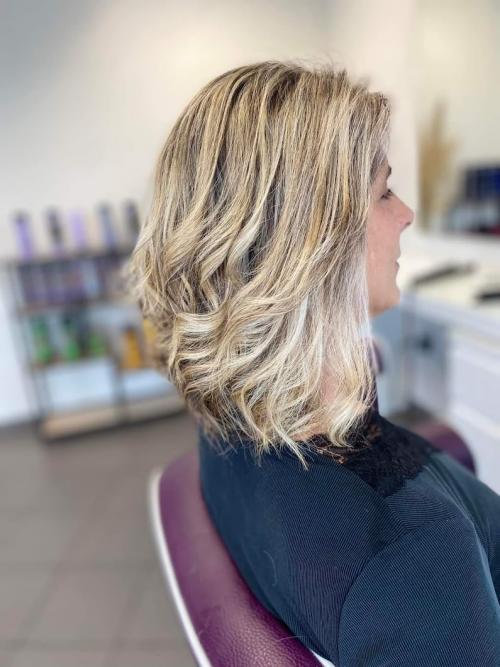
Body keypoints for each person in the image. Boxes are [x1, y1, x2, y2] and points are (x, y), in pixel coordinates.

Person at [127, 61, 500, 665]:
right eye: (383, 193)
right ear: (311, 249)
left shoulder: (235, 410)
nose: (406, 213)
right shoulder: (416, 568)